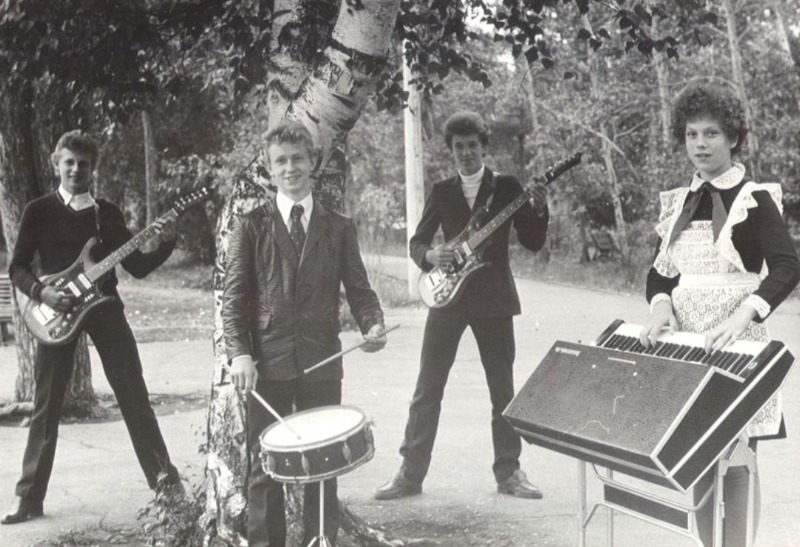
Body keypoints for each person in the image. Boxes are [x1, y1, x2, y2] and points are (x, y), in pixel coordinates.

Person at [638, 83, 800, 547]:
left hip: (737, 344)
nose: (701, 144)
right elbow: (659, 275)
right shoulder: (678, 203)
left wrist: (744, 315)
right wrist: (662, 307)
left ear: (733, 137)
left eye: (711, 133)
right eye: (692, 134)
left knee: (738, 456)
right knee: (697, 454)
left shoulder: (754, 197)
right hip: (689, 345)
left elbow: (787, 266)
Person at [2, 130, 183, 525]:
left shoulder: (108, 213)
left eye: (83, 164)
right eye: (68, 162)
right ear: (56, 164)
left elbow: (136, 267)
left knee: (134, 396)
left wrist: (166, 243)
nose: (76, 169)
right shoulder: (38, 210)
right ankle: (28, 497)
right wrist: (42, 292)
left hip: (105, 309)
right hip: (58, 311)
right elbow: (16, 266)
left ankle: (167, 488)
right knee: (46, 406)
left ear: (92, 168)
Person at [222, 120, 387, 547]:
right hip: (267, 364)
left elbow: (360, 289)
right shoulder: (250, 226)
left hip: (322, 361)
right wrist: (240, 354)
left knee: (324, 464)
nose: (290, 168)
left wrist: (373, 323)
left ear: (313, 162)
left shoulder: (339, 226)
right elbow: (233, 300)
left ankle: (320, 540)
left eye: (298, 158)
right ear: (269, 168)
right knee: (264, 468)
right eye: (281, 161)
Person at [375, 111, 549, 501]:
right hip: (448, 298)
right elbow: (417, 243)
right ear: (451, 151)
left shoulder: (507, 187)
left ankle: (509, 472)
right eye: (459, 147)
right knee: (428, 387)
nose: (466, 153)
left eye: (472, 145)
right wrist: (431, 255)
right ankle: (410, 473)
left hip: (493, 299)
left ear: (484, 148)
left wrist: (538, 209)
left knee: (503, 391)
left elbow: (533, 242)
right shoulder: (442, 191)